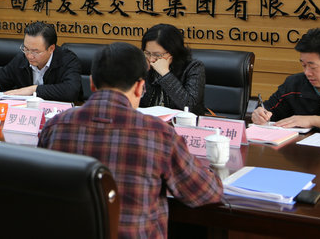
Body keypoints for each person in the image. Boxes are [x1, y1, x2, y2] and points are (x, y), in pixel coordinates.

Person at [38, 42, 222, 238]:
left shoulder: (54, 127)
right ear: (140, 87)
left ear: (91, 83)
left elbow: (39, 191)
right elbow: (204, 193)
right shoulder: (160, 134)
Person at [252, 28, 320, 133]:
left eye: (313, 67)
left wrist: (312, 120)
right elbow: (269, 109)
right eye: (304, 65)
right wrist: (260, 114)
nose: (307, 73)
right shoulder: (294, 84)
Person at [0, 21, 81, 102]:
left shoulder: (67, 59)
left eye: (35, 52)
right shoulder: (22, 59)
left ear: (51, 49)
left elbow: (71, 91)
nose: (29, 55)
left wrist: (33, 89)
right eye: (26, 49)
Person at [139, 23, 206, 115]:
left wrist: (165, 74)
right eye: (147, 53)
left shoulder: (193, 67)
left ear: (173, 52)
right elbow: (136, 103)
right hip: (149, 121)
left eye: (157, 55)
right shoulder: (144, 64)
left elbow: (190, 107)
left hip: (180, 122)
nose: (151, 59)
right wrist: (142, 73)